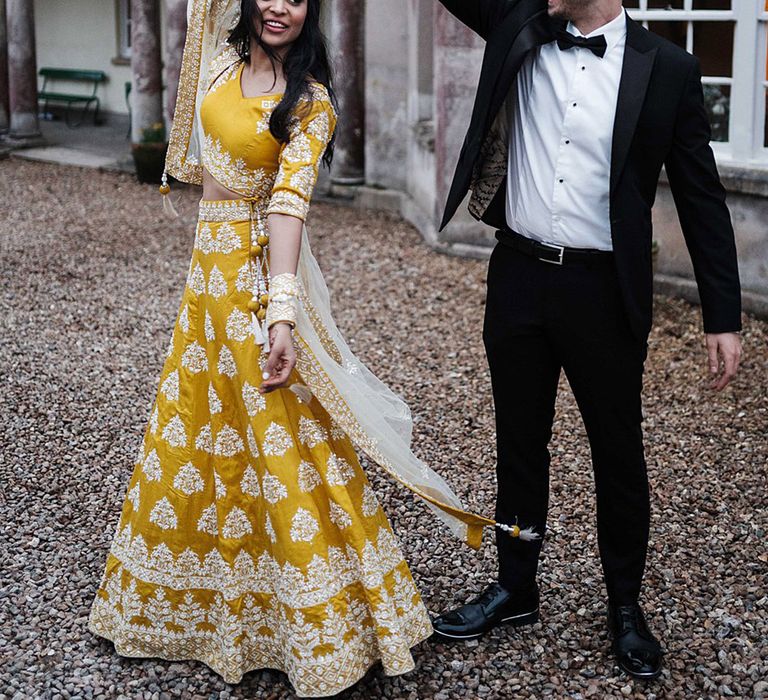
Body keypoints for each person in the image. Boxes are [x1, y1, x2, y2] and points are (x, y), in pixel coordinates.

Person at [88, 0, 526, 695]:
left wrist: (282, 316)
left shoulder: (311, 102)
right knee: (200, 432)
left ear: (312, 11)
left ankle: (322, 620)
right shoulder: (222, 59)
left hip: (254, 284)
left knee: (281, 438)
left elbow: (290, 205)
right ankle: (198, 608)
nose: (279, 5)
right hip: (203, 284)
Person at [430, 0, 742, 681]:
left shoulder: (670, 70)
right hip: (518, 274)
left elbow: (700, 194)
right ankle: (516, 587)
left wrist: (723, 315)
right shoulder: (518, 27)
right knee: (519, 442)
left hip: (604, 290)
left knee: (618, 454)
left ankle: (626, 608)